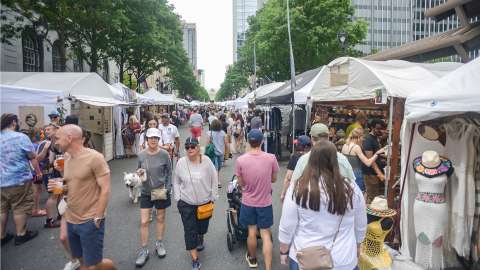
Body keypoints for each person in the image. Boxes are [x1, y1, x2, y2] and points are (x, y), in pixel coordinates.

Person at [278, 141, 367, 270]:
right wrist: (358, 245)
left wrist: (283, 251)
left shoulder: (298, 187)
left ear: (311, 160)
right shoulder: (351, 188)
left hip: (305, 257)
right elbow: (360, 224)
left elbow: (287, 225)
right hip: (343, 258)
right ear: (335, 161)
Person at [49, 124, 116, 270]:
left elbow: (105, 189)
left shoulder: (95, 157)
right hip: (71, 218)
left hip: (89, 220)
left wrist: (98, 217)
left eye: (58, 138)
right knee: (82, 261)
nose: (56, 142)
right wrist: (59, 187)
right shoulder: (65, 158)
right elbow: (72, 185)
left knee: (95, 264)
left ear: (70, 138)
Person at [235, 129, 279, 270]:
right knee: (266, 234)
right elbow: (274, 179)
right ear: (262, 141)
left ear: (248, 141)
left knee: (251, 232)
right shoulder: (271, 158)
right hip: (265, 202)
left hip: (248, 202)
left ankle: (253, 259)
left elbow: (241, 183)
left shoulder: (240, 160)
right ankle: (268, 267)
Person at [174, 137, 218, 270]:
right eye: (187, 147)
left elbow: (214, 178)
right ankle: (195, 259)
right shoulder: (181, 162)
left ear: (198, 147)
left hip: (205, 202)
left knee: (202, 228)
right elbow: (176, 181)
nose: (190, 149)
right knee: (189, 230)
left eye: (192, 146)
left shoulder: (207, 161)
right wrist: (178, 198)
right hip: (186, 203)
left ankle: (200, 236)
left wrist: (213, 196)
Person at [1, 113, 41, 246]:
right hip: (18, 180)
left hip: (1, 181)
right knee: (20, 207)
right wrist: (38, 172)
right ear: (13, 122)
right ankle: (21, 234)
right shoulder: (21, 137)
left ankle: (2, 236)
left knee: (2, 209)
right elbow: (31, 156)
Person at [135, 128, 172, 267]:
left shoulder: (164, 154)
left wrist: (168, 188)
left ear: (159, 139)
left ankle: (159, 243)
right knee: (144, 221)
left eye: (156, 138)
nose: (153, 140)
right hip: (145, 192)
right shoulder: (141, 155)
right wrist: (139, 173)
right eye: (151, 138)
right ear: (146, 139)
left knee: (161, 218)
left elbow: (169, 172)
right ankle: (144, 250)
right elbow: (138, 169)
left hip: (161, 192)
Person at [341, 128, 385, 194]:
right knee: (358, 194)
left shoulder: (344, 146)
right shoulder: (356, 147)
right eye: (362, 137)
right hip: (356, 175)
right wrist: (377, 153)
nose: (363, 139)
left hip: (346, 174)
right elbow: (368, 163)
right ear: (359, 137)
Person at [280, 135, 311, 203]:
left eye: (297, 144)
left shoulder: (296, 157)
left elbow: (288, 178)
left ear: (301, 146)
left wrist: (283, 193)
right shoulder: (314, 155)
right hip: (313, 191)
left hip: (298, 191)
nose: (296, 145)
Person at [362, 119, 387, 203]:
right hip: (370, 173)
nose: (381, 131)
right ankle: (369, 215)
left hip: (374, 173)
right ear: (372, 128)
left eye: (382, 128)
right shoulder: (368, 140)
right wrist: (379, 173)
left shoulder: (375, 138)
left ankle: (372, 214)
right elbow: (370, 160)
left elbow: (376, 154)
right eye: (378, 128)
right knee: (372, 197)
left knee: (375, 196)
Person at [44, 122, 62, 228]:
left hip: (54, 171)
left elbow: (51, 160)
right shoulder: (57, 142)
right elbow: (56, 159)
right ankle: (49, 220)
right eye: (46, 130)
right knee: (54, 196)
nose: (46, 131)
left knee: (58, 195)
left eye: (48, 129)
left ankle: (59, 215)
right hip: (56, 172)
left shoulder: (52, 142)